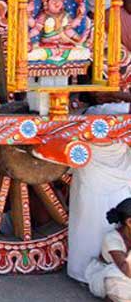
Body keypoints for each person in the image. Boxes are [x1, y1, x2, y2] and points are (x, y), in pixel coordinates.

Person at [67, 93, 131, 283]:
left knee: (88, 223)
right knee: (111, 222)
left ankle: (80, 270)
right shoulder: (105, 110)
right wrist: (123, 96)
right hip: (114, 174)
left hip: (93, 174)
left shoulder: (90, 113)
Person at [85, 198, 131, 302]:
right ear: (129, 222)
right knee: (117, 279)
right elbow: (127, 270)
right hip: (107, 276)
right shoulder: (111, 238)